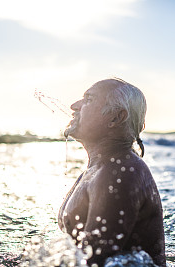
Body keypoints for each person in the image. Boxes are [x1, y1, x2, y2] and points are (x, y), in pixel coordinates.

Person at [58, 78, 166, 267]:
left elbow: (94, 261)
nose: (74, 106)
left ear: (116, 117)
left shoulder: (119, 174)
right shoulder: (100, 169)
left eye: (88, 100)